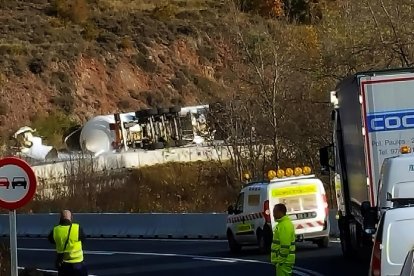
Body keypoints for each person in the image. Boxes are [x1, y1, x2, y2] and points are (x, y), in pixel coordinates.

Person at [48, 210, 88, 276]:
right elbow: (83, 239)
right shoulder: (77, 228)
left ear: (60, 218)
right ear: (71, 218)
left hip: (63, 264)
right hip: (77, 264)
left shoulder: (56, 230)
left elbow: (51, 240)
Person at [271, 203, 296, 276]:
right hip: (284, 261)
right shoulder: (283, 224)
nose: (273, 215)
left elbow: (285, 246)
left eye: (274, 212)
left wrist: (280, 260)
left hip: (283, 261)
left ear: (280, 212)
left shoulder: (284, 226)